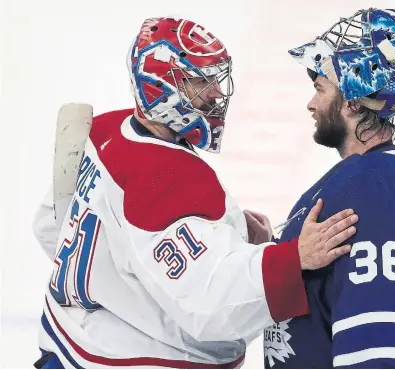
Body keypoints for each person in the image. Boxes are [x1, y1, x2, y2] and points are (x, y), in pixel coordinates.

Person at [31, 17, 359, 369]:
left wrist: (229, 239)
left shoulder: (104, 130)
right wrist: (293, 259)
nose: (216, 92)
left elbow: (51, 227)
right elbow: (210, 307)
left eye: (215, 79)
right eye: (200, 82)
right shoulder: (169, 177)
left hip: (66, 344)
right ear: (159, 86)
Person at [261, 8, 395, 369]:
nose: (311, 103)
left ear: (351, 99)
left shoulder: (368, 185)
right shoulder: (386, 174)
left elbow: (383, 353)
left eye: (320, 88)